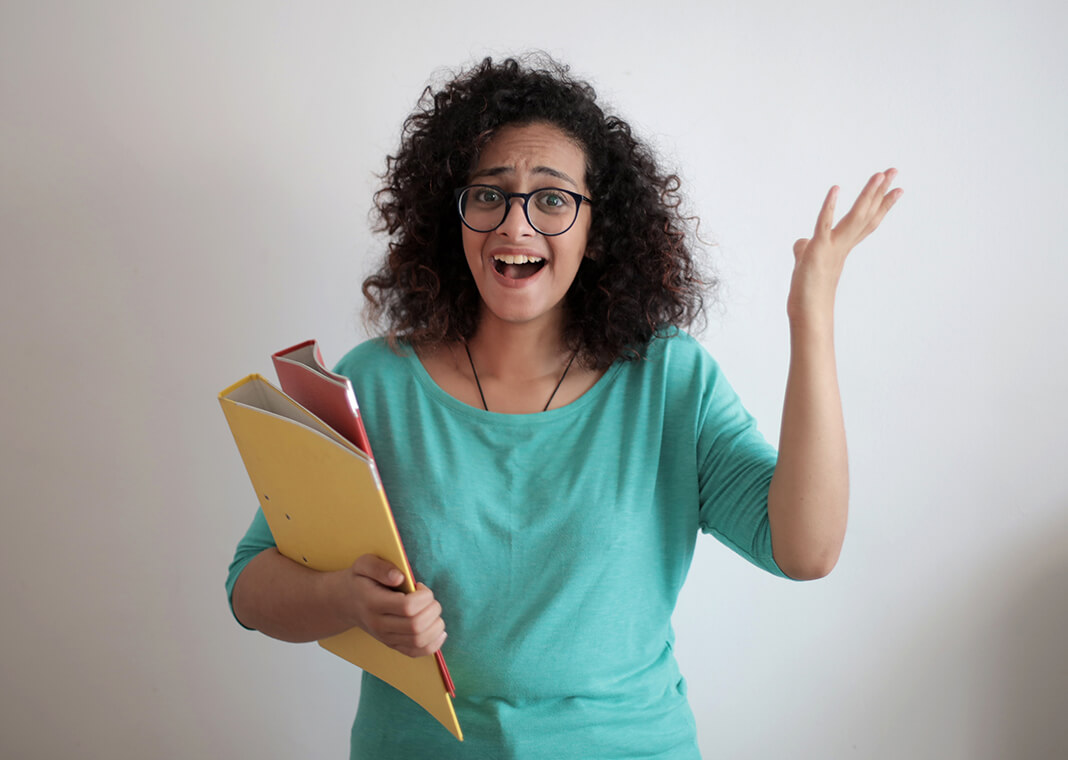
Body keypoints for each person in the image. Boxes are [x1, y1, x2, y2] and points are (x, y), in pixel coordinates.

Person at [226, 55, 902, 758]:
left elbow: (806, 550)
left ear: (596, 227)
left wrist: (811, 313)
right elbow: (250, 584)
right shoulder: (374, 386)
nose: (516, 227)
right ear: (450, 216)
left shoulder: (667, 380)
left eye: (552, 199)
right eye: (489, 195)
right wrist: (345, 600)